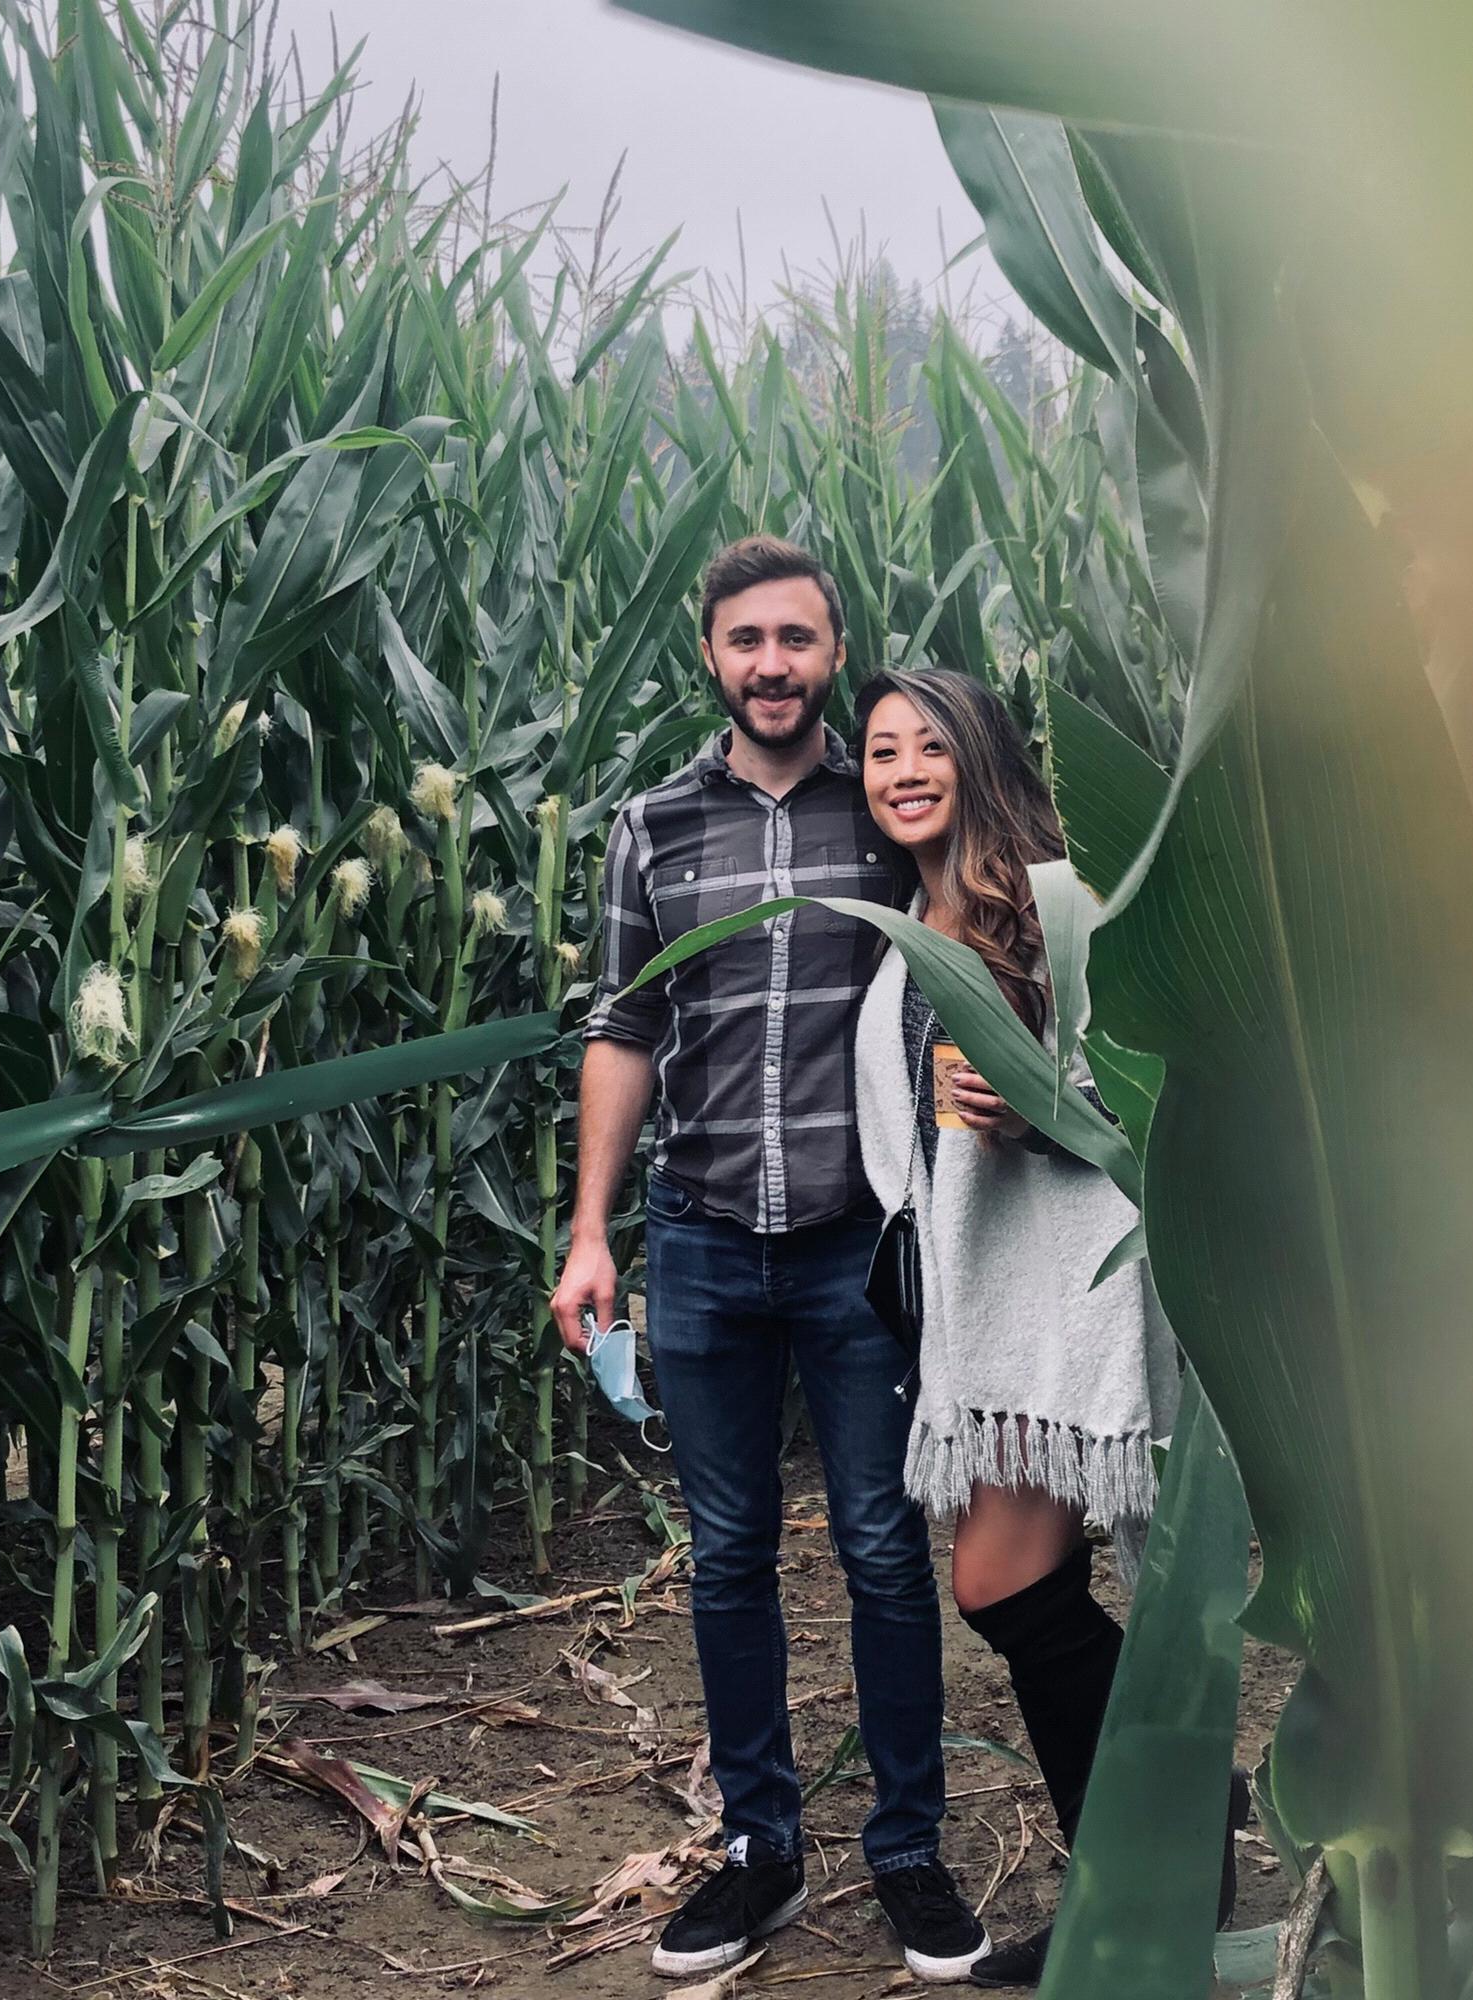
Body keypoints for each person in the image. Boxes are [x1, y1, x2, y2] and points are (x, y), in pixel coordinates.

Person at [552, 539, 992, 1983]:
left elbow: (988, 941)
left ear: (831, 645)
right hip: (699, 1236)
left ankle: (909, 1853)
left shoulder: (888, 814)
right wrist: (588, 1230)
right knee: (729, 1555)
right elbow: (623, 1029)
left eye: (799, 640)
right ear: (711, 657)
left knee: (881, 1547)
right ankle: (759, 1853)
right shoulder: (656, 825)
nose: (774, 665)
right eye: (747, 641)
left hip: (859, 1248)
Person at [852, 667, 1239, 1990]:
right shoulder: (921, 910)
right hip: (991, 1317)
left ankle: (1165, 1848)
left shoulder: (1045, 901)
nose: (902, 767)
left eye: (927, 745)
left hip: (1067, 1302)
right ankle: (1148, 1870)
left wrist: (1035, 1106)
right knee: (1028, 1592)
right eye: (881, 749)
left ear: (978, 756)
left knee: (1003, 1587)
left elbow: (1141, 1075)